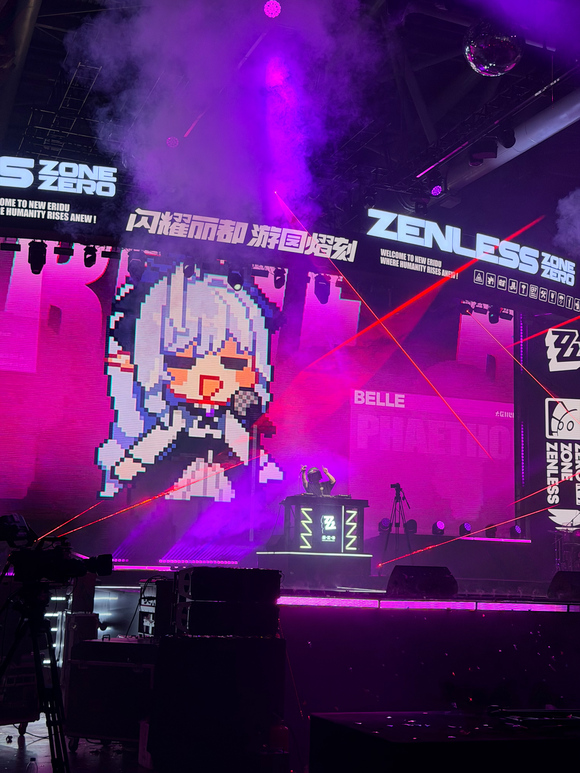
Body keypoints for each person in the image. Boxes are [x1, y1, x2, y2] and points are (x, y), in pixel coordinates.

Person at [97, 263, 283, 502]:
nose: (210, 377)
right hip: (162, 501)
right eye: (183, 362)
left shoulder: (231, 422)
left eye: (232, 363)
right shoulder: (173, 420)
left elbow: (261, 467)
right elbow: (139, 458)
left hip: (222, 504)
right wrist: (125, 470)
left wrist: (261, 464)